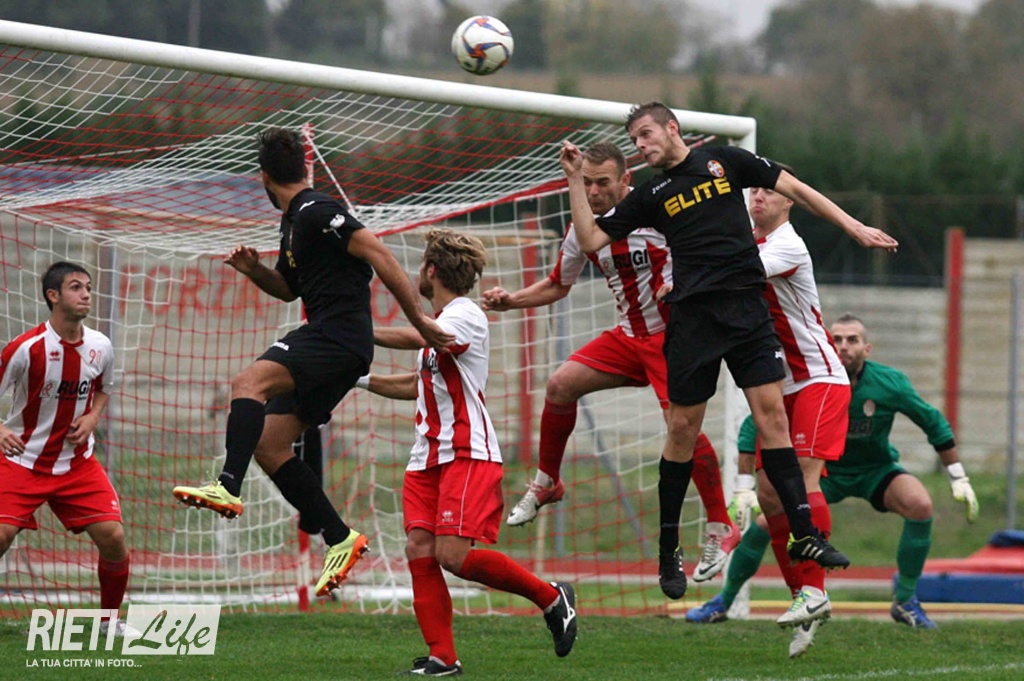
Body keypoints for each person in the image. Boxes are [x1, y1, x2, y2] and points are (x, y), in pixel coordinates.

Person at [559, 101, 897, 597]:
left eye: (646, 134)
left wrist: (854, 226)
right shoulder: (651, 193)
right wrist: (574, 180)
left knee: (772, 419)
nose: (641, 145)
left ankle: (805, 534)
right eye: (634, 140)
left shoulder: (724, 160)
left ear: (672, 128)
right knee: (681, 430)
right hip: (693, 320)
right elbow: (590, 239)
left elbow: (797, 189)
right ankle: (669, 550)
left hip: (746, 314)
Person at [173, 127, 454, 598]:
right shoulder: (293, 222)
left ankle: (227, 486)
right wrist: (254, 270)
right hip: (338, 343)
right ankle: (340, 538)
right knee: (269, 444)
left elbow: (379, 253)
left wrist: (421, 322)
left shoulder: (317, 210)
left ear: (263, 178)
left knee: (248, 383)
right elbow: (288, 289)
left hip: (335, 337)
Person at [481, 141, 739, 588]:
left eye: (602, 183)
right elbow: (557, 284)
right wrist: (512, 301)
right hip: (627, 338)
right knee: (560, 385)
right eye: (587, 183)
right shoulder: (584, 230)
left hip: (673, 340)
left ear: (626, 180)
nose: (594, 192)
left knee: (681, 429)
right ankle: (547, 482)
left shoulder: (659, 214)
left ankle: (720, 524)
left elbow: (704, 249)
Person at [687, 314, 979, 653]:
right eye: (836, 339)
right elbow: (756, 423)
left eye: (852, 340)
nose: (843, 346)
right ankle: (724, 602)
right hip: (824, 473)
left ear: (867, 348)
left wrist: (958, 475)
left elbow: (932, 420)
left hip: (874, 469)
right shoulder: (808, 382)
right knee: (767, 523)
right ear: (826, 343)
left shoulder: (889, 383)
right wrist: (744, 484)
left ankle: (905, 601)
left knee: (921, 505)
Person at [360, 228, 577, 675]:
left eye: (420, 266)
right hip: (427, 458)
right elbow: (417, 385)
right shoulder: (442, 322)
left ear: (431, 270)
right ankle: (442, 656)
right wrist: (357, 378)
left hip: (466, 452)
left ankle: (551, 597)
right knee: (419, 548)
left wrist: (359, 332)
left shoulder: (465, 315)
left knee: (452, 557)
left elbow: (425, 336)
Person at [740, 171, 852, 648]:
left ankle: (814, 590)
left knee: (802, 481)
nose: (758, 195)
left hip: (818, 378)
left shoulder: (787, 245)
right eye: (754, 189)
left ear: (788, 203)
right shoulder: (748, 241)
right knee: (770, 495)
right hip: (781, 384)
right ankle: (802, 600)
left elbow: (735, 273)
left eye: (768, 190)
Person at [0, 262, 132, 635]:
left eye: (88, 286)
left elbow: (104, 388)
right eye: (76, 287)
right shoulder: (25, 348)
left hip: (76, 464)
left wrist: (93, 417)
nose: (86, 294)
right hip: (22, 461)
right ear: (53, 296)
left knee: (114, 538)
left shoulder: (100, 345)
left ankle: (109, 623)